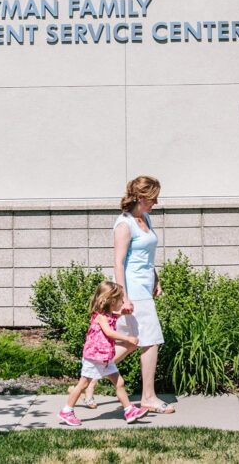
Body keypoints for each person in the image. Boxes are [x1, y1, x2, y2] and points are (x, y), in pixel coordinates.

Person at [82, 175, 176, 414]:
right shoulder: (125, 224)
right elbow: (118, 262)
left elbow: (147, 256)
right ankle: (148, 397)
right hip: (131, 288)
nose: (156, 202)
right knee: (151, 340)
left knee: (131, 342)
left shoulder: (145, 218)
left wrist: (156, 279)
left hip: (144, 286)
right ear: (141, 197)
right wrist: (124, 296)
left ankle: (90, 380)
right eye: (153, 198)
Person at [58, 281, 149, 426]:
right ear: (112, 300)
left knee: (119, 383)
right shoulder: (100, 316)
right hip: (94, 358)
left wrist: (122, 313)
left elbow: (113, 317)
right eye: (121, 300)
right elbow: (109, 332)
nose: (123, 302)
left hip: (105, 358)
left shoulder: (108, 314)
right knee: (82, 385)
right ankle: (67, 411)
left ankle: (129, 410)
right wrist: (128, 338)